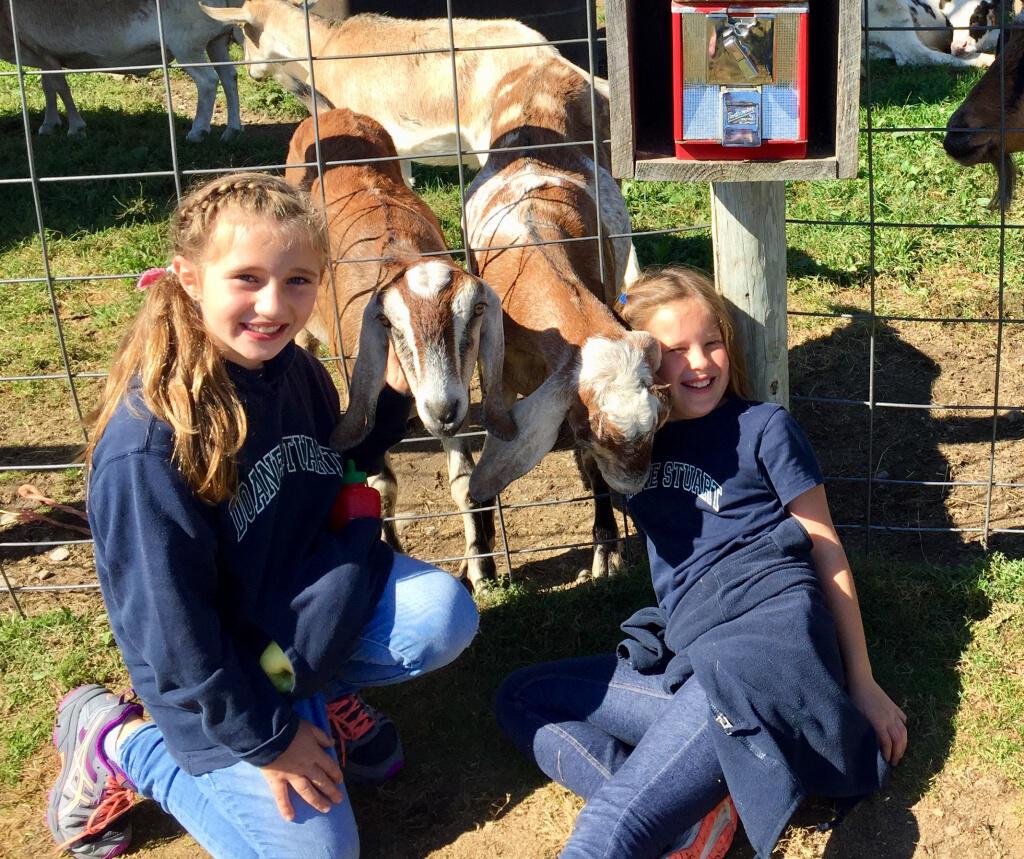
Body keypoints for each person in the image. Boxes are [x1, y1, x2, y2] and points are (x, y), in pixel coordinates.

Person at [47, 172, 479, 859]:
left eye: (299, 280)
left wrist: (392, 399)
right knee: (321, 854)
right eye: (246, 278)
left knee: (443, 617)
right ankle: (121, 741)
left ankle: (315, 685)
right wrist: (268, 740)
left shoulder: (290, 370)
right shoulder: (151, 443)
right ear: (188, 277)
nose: (274, 305)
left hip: (282, 622)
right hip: (210, 672)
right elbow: (171, 632)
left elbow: (322, 465)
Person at [494, 266, 908, 859]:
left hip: (766, 645)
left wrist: (861, 683)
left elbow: (827, 549)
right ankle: (694, 822)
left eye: (711, 341)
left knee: (614, 825)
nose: (700, 363)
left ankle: (671, 804)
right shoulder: (634, 448)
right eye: (674, 350)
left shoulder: (762, 428)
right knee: (521, 696)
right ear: (641, 360)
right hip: (697, 654)